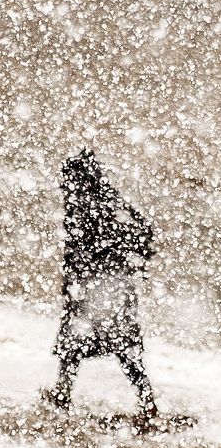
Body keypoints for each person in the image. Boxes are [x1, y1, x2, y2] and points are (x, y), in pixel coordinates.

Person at [41, 148, 159, 426]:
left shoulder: (94, 203)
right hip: (103, 286)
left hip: (103, 286)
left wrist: (106, 265)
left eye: (69, 180)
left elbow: (138, 234)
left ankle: (145, 402)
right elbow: (141, 233)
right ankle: (146, 402)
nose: (65, 186)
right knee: (111, 345)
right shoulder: (99, 201)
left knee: (96, 343)